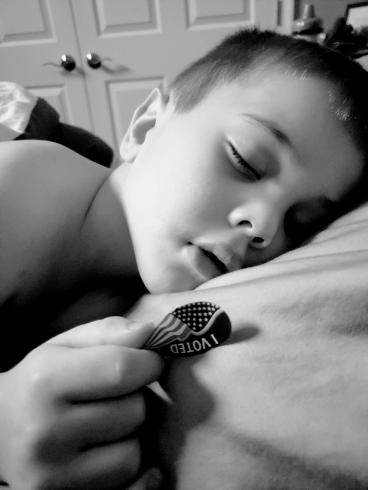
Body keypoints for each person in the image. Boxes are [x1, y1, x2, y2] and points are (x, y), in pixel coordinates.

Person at [0, 28, 368, 489]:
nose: (265, 227)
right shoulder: (23, 192)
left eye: (301, 221)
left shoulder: (151, 296)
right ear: (146, 126)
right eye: (247, 162)